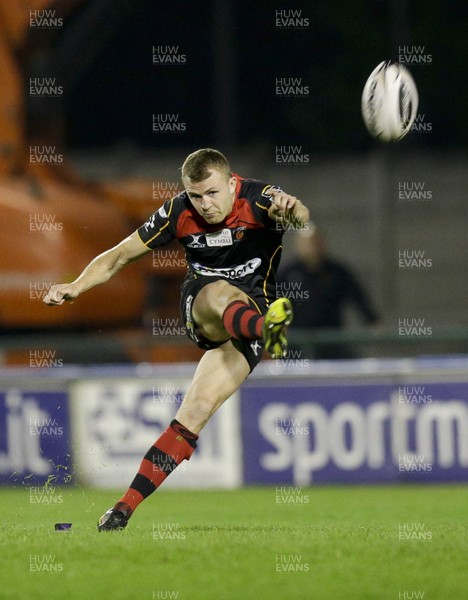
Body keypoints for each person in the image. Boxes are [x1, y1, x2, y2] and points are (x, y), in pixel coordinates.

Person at [44, 148, 309, 530]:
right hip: (204, 307)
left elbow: (301, 216)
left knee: (195, 413)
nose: (205, 205)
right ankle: (267, 328)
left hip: (251, 316)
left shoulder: (260, 199)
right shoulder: (176, 211)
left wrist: (293, 208)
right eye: (196, 196)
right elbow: (120, 256)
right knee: (220, 293)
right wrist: (77, 285)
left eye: (213, 193)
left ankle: (121, 510)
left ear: (231, 182)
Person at [278, 225, 378, 358]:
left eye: (316, 242)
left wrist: (373, 323)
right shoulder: (287, 273)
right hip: (297, 342)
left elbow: (359, 299)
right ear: (298, 246)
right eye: (308, 244)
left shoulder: (338, 272)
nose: (313, 248)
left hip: (332, 340)